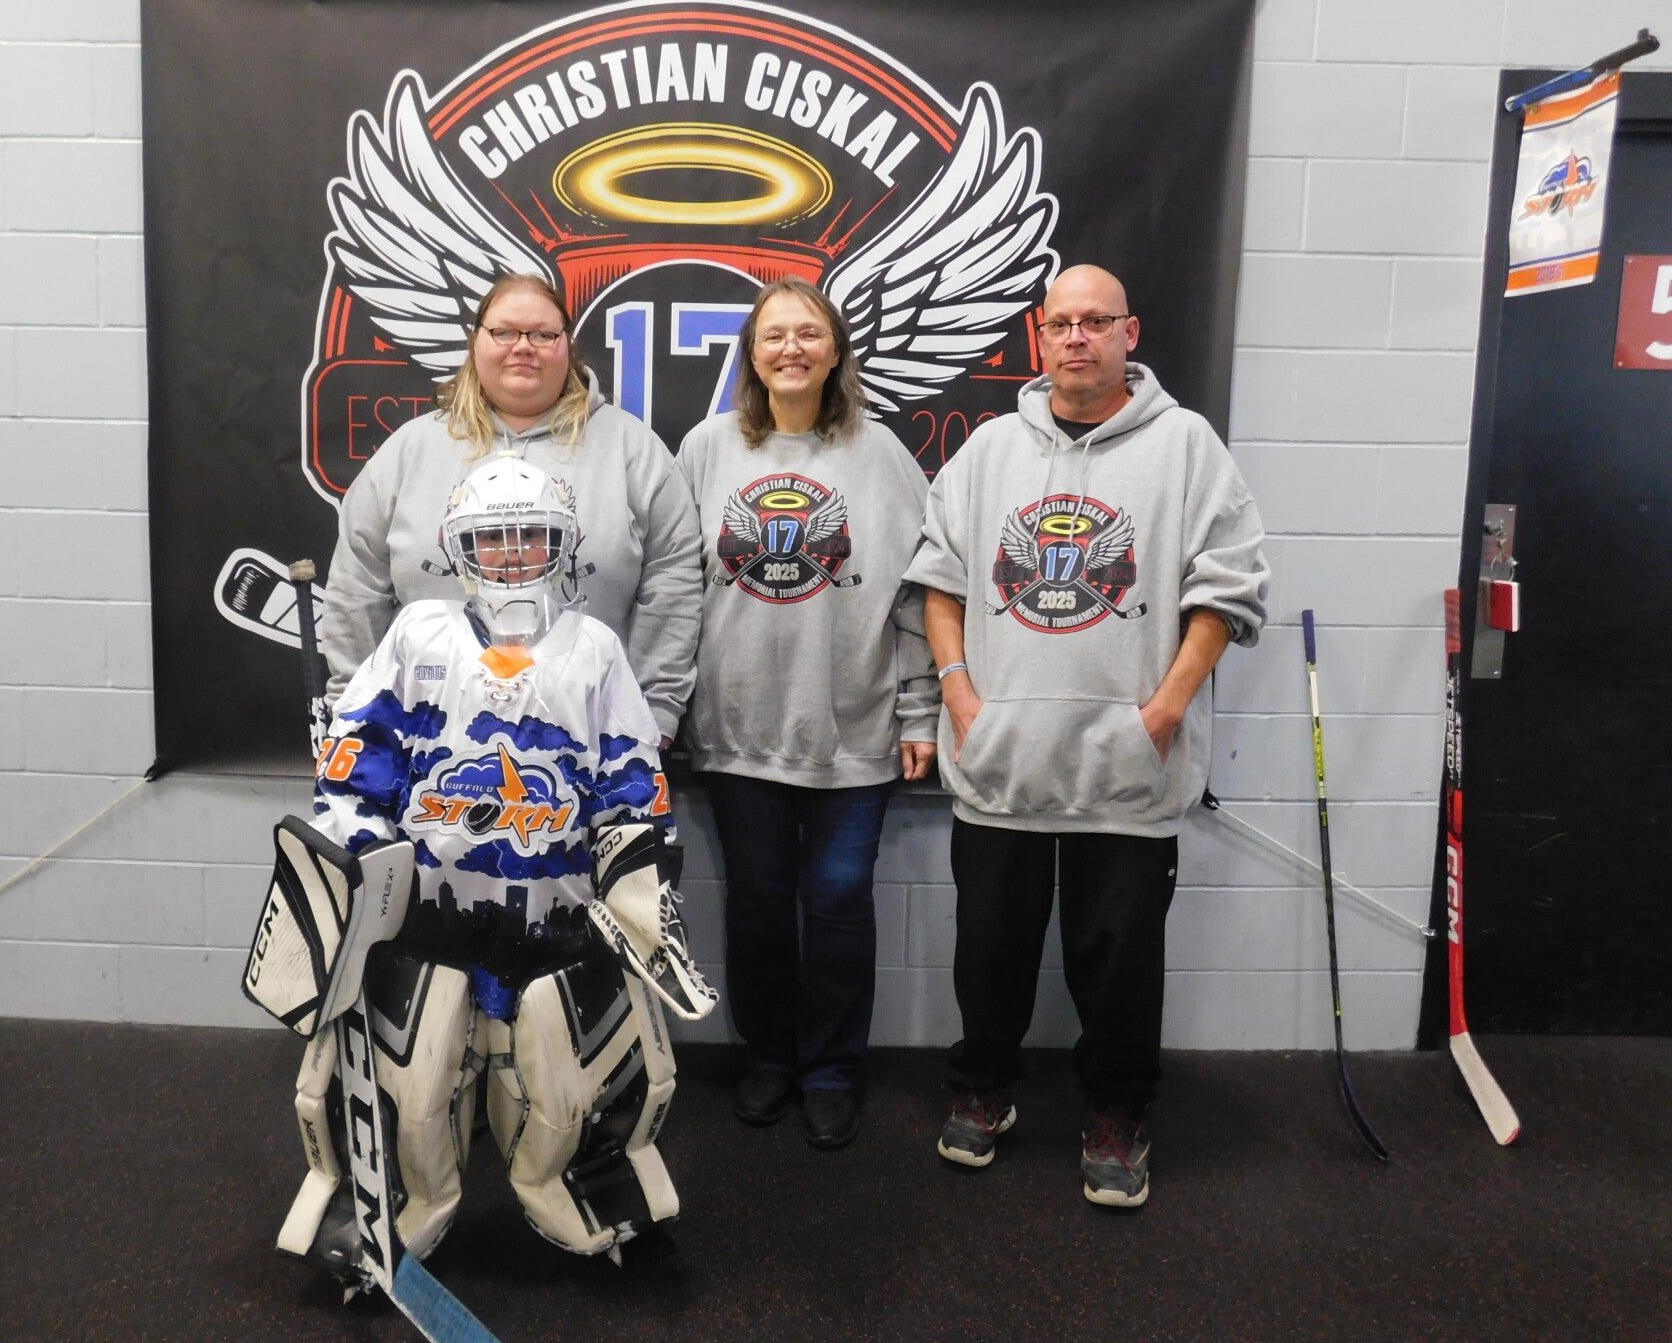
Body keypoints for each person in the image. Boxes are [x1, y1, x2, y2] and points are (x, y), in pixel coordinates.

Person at [248, 454, 718, 1285]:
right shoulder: (417, 636)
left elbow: (630, 777)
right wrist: (353, 841)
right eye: (491, 538)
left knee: (569, 1088)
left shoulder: (594, 649)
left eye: (530, 535)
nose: (511, 554)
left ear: (562, 545)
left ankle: (569, 1188)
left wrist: (638, 870)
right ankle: (403, 1202)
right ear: (459, 548)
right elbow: (360, 761)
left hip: (557, 920)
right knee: (417, 1085)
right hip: (431, 923)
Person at [903, 264, 1269, 1207]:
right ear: (1040, 336)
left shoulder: (1186, 447)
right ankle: (983, 1091)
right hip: (1001, 761)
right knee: (990, 952)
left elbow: (1228, 592)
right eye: (1061, 323)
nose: (1076, 338)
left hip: (1130, 767)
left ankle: (1117, 1111)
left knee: (1120, 964)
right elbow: (938, 583)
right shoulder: (989, 451)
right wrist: (959, 694)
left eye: (1096, 322)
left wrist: (1165, 712)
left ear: (1128, 334)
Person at [677, 278, 939, 1150]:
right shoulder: (706, 449)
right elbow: (673, 589)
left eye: (809, 333)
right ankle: (769, 1056)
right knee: (756, 906)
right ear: (751, 355)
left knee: (837, 904)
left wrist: (920, 713)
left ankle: (831, 1070)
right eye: (774, 335)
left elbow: (918, 595)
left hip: (852, 729)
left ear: (835, 351)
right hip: (736, 730)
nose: (791, 347)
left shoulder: (882, 455)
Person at [320, 273, 701, 744]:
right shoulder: (410, 450)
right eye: (504, 332)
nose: (523, 347)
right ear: (475, 341)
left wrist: (652, 716)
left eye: (543, 334)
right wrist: (356, 713)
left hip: (591, 739)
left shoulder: (631, 450)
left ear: (567, 345)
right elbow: (356, 587)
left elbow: (673, 583)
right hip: (426, 738)